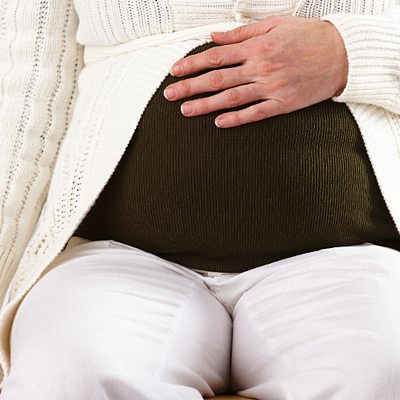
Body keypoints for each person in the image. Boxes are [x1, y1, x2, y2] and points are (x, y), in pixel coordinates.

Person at [0, 0, 399, 399]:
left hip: (348, 258)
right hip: (120, 261)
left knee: (385, 367)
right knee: (64, 375)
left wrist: (351, 53)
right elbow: (27, 95)